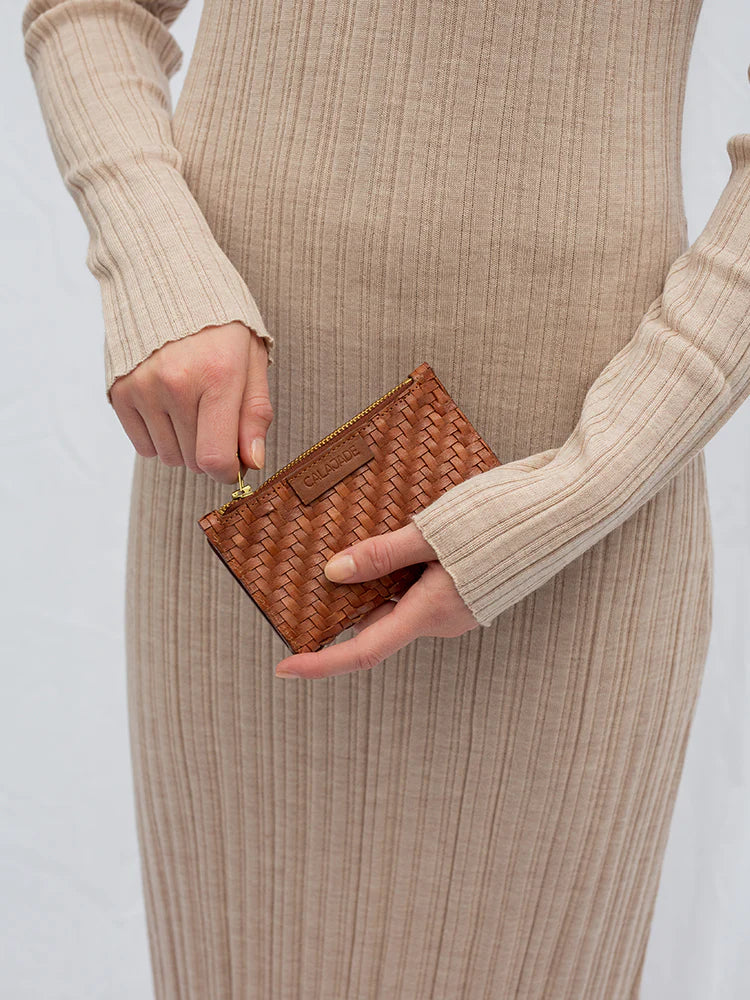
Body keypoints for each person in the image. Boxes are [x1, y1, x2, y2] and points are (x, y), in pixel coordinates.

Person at [21, 0, 749, 996]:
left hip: (582, 513)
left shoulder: (583, 500)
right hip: (249, 481)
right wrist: (155, 259)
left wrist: (578, 491)